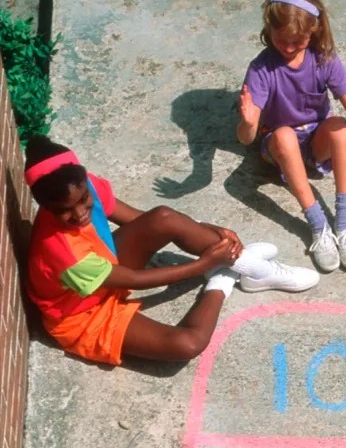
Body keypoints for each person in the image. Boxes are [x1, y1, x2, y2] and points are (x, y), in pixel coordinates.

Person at [24, 136, 318, 367]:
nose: (79, 213)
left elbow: (143, 221)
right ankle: (222, 279)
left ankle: (254, 269)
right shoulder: (61, 252)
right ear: (46, 208)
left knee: (164, 216)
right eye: (65, 211)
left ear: (85, 183)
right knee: (187, 345)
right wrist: (204, 262)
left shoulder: (86, 187)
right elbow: (133, 279)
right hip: (83, 313)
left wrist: (203, 228)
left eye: (83, 200)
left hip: (105, 264)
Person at [236, 0, 346, 273]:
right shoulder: (261, 69)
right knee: (283, 135)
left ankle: (345, 224)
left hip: (314, 141)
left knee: (340, 126)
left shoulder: (325, 60)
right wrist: (247, 122)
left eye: (297, 41)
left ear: (314, 31)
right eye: (280, 38)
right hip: (279, 146)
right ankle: (318, 226)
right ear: (268, 27)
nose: (287, 47)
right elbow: (246, 139)